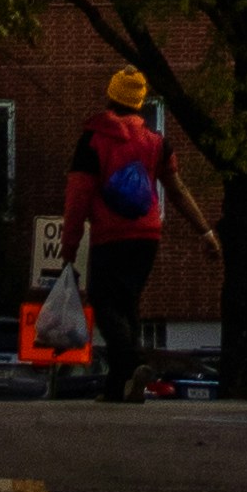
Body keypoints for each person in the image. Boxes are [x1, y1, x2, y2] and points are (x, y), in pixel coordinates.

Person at [57, 66, 178, 399]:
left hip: (110, 236)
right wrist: (207, 232)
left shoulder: (94, 141)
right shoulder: (156, 143)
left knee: (103, 299)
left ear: (111, 97)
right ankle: (120, 387)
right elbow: (176, 187)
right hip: (148, 235)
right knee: (127, 305)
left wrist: (69, 247)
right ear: (139, 103)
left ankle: (132, 361)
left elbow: (77, 198)